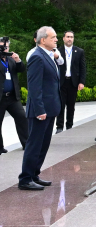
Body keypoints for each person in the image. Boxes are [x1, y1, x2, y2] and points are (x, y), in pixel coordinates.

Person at [19, 26, 61, 190]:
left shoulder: (48, 56)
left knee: (43, 145)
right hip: (41, 110)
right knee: (34, 145)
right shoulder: (37, 56)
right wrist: (39, 110)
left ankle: (34, 174)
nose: (56, 39)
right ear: (43, 40)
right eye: (53, 37)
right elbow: (34, 87)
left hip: (50, 108)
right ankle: (25, 178)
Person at [0, 37, 28, 154]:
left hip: (12, 97)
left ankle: (27, 144)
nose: (4, 49)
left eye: (6, 47)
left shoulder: (11, 59)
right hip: (0, 98)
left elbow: (21, 69)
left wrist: (18, 60)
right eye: (2, 47)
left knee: (22, 117)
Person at [56, 31, 86, 133]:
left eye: (71, 37)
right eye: (68, 37)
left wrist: (81, 82)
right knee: (60, 104)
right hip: (61, 81)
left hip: (73, 82)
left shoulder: (79, 51)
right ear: (63, 38)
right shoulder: (57, 51)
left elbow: (82, 68)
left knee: (71, 105)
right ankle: (59, 127)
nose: (70, 39)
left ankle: (69, 126)